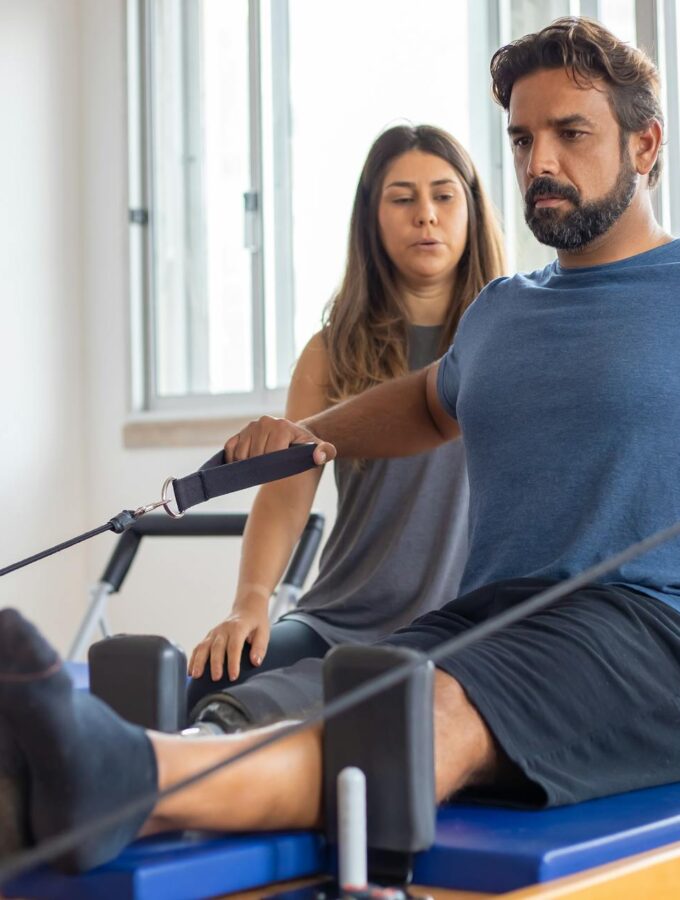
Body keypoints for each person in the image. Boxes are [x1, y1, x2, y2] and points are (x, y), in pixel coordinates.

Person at [2, 16, 680, 877]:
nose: (539, 161)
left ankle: (126, 777)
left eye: (571, 133)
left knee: (419, 713)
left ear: (645, 143)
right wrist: (300, 439)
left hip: (647, 629)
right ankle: (39, 788)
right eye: (522, 137)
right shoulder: (506, 309)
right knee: (351, 691)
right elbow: (432, 406)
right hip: (497, 616)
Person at [186, 124, 506, 727]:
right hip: (341, 616)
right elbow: (285, 495)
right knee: (213, 676)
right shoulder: (332, 352)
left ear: (470, 207)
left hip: (461, 624)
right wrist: (249, 603)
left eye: (443, 196)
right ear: (372, 216)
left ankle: (234, 734)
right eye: (402, 198)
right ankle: (214, 734)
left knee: (375, 700)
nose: (426, 217)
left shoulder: (510, 337)